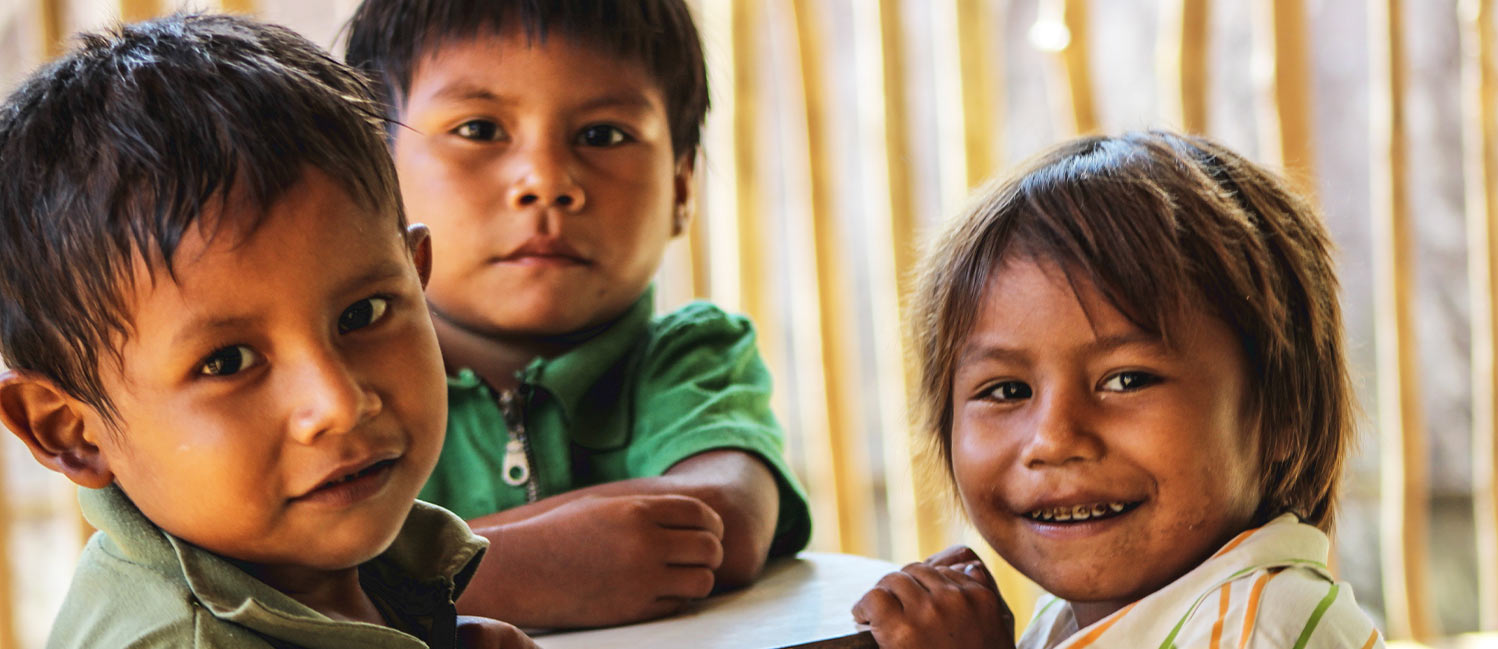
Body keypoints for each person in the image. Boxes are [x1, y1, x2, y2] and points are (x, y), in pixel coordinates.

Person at [0, 14, 534, 649]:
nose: (338, 404)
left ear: (418, 279)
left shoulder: (326, 572)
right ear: (70, 430)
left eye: (361, 315)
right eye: (227, 362)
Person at [342, 0, 813, 629]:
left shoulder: (688, 356)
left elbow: (730, 512)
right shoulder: (337, 386)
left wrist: (385, 582)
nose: (545, 179)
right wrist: (504, 568)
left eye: (603, 135)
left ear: (681, 188)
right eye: (479, 129)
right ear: (375, 174)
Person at [852, 131, 1384, 648]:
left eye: (1127, 380)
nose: (1054, 438)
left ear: (1282, 413)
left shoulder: (1258, 625)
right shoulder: (1076, 619)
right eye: (1007, 390)